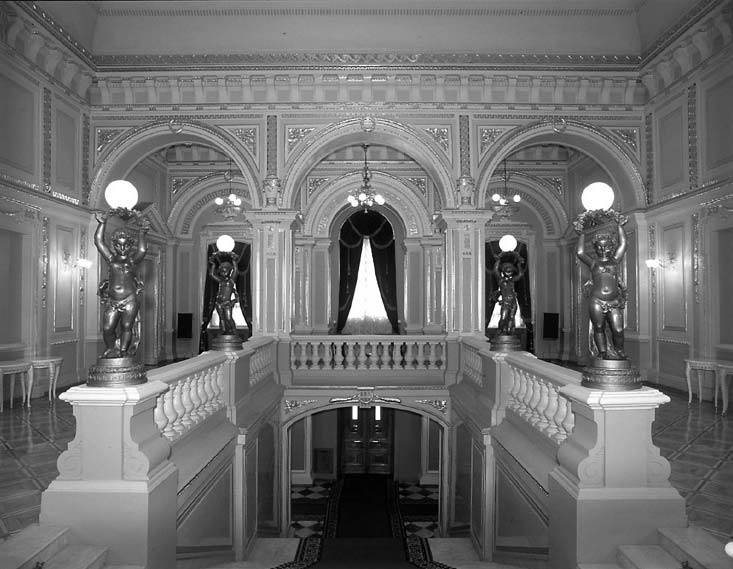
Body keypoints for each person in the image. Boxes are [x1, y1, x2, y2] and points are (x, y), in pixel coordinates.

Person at [94, 212, 150, 358]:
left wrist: (142, 232)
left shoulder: (132, 261)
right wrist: (102, 223)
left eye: (126, 245)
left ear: (130, 245)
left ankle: (123, 352)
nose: (123, 248)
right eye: (119, 245)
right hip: (112, 301)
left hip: (129, 299)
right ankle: (111, 348)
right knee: (107, 328)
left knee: (126, 326)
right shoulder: (111, 259)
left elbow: (142, 250)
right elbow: (99, 242)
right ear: (114, 245)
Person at [576, 223, 627, 360]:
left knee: (618, 329)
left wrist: (620, 226)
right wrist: (582, 233)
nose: (603, 249)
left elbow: (623, 244)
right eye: (599, 246)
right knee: (599, 327)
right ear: (596, 248)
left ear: (611, 247)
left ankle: (619, 351)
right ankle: (602, 352)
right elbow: (580, 253)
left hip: (614, 301)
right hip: (597, 301)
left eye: (606, 246)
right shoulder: (593, 263)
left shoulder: (615, 261)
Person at [491, 253, 526, 336]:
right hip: (505, 302)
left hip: (513, 302)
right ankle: (500, 331)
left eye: (510, 270)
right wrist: (498, 261)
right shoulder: (501, 280)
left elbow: (520, 274)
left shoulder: (512, 280)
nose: (509, 271)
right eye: (507, 269)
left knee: (511, 318)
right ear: (504, 271)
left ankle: (510, 333)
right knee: (503, 318)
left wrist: (519, 264)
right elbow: (495, 270)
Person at [209, 253, 240, 335]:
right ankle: (223, 331)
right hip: (218, 302)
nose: (223, 272)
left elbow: (236, 270)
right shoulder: (220, 281)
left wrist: (234, 260)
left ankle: (234, 332)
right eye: (222, 271)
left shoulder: (231, 281)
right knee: (221, 318)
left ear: (229, 271)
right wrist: (213, 264)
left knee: (229, 318)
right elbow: (211, 274)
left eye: (225, 270)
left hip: (227, 303)